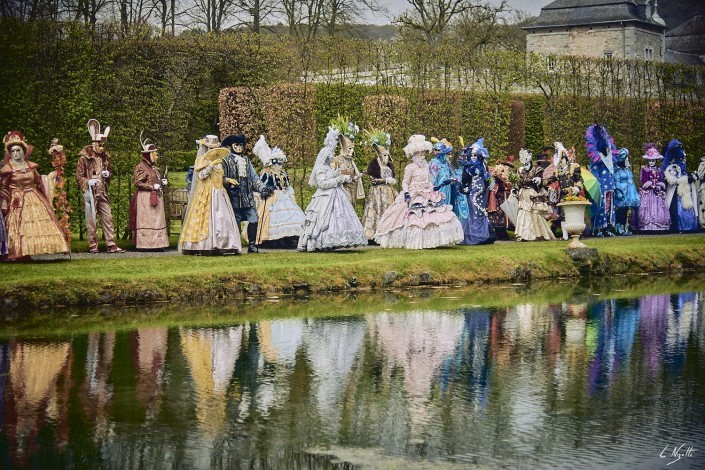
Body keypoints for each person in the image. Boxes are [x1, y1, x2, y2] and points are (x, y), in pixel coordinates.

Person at [374, 135, 463, 249]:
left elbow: (429, 181)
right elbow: (405, 182)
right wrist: (406, 192)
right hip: (414, 194)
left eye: (424, 154)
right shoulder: (410, 167)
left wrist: (436, 187)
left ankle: (431, 240)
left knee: (435, 214)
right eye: (420, 154)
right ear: (414, 155)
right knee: (413, 217)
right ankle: (413, 240)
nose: (423, 156)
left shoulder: (427, 166)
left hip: (427, 192)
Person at [297, 127, 367, 252]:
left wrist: (348, 178)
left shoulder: (330, 168)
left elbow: (338, 177)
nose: (332, 158)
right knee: (323, 219)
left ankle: (334, 242)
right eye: (330, 156)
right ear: (325, 157)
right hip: (324, 197)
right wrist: (339, 179)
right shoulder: (320, 169)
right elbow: (323, 184)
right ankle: (321, 242)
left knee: (340, 218)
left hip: (337, 195)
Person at [0, 131, 68, 259]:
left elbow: (39, 181)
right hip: (16, 200)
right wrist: (4, 202)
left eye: (18, 150)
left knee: (38, 224)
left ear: (23, 151)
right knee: (19, 227)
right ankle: (19, 253)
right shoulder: (8, 169)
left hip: (33, 197)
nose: (15, 153)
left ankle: (32, 251)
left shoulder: (31, 166)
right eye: (13, 151)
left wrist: (53, 175)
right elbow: (4, 187)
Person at [179, 135, 241, 255]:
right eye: (211, 148)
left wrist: (227, 180)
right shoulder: (202, 160)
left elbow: (218, 178)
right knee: (206, 219)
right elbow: (201, 176)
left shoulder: (219, 162)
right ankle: (205, 245)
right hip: (206, 193)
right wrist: (211, 165)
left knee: (222, 218)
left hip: (220, 193)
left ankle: (224, 244)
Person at [76, 119, 125, 253]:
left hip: (103, 191)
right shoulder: (84, 158)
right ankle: (93, 245)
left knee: (107, 217)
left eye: (103, 145)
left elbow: (110, 173)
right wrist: (87, 182)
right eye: (100, 145)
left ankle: (111, 244)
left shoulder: (105, 158)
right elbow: (79, 176)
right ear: (94, 143)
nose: (102, 147)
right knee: (91, 220)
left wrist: (107, 174)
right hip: (91, 193)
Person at [221, 134, 273, 253]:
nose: (239, 147)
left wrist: (262, 189)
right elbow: (220, 177)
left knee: (254, 219)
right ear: (231, 146)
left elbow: (254, 177)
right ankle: (235, 245)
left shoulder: (246, 160)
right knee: (235, 221)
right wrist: (226, 181)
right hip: (233, 197)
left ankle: (252, 246)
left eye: (241, 145)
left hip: (247, 197)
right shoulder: (225, 160)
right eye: (236, 145)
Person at [252, 135, 304, 247]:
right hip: (272, 197)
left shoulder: (283, 174)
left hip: (284, 196)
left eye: (281, 164)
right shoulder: (266, 173)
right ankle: (273, 240)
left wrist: (290, 192)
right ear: (272, 163)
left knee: (291, 215)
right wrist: (266, 190)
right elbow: (262, 185)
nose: (279, 166)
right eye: (277, 164)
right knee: (270, 218)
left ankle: (288, 238)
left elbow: (287, 185)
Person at [129, 134, 169, 250]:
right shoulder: (141, 167)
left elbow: (156, 181)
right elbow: (137, 182)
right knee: (147, 220)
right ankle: (146, 244)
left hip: (156, 196)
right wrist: (151, 187)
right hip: (145, 198)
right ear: (149, 155)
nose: (157, 156)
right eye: (155, 153)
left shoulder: (155, 169)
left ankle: (158, 243)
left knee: (156, 219)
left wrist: (162, 183)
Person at [361, 129, 397, 242]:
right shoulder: (374, 165)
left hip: (389, 193)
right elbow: (373, 180)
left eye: (387, 155)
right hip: (377, 194)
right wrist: (385, 181)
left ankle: (388, 235)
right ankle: (373, 235)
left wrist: (391, 182)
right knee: (376, 211)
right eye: (384, 155)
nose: (386, 158)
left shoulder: (390, 166)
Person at [458, 138, 496, 245]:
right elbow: (464, 180)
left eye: (475, 156)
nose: (474, 158)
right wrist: (465, 187)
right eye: (472, 156)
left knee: (481, 211)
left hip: (482, 192)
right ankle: (473, 235)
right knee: (473, 211)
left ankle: (484, 235)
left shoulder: (483, 166)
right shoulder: (467, 167)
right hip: (472, 192)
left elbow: (488, 179)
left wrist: (489, 183)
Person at [514, 148, 555, 242]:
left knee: (535, 213)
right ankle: (523, 235)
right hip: (523, 194)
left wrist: (539, 181)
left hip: (533, 194)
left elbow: (543, 181)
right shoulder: (520, 170)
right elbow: (518, 183)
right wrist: (515, 189)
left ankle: (537, 234)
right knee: (523, 212)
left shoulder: (537, 169)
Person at [585, 123, 617, 236]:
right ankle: (597, 228)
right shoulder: (595, 157)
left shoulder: (609, 156)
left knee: (609, 206)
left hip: (609, 183)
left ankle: (607, 227)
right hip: (599, 184)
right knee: (599, 206)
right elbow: (595, 167)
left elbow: (612, 164)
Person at [661, 139, 698, 232]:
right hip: (675, 191)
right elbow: (672, 179)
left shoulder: (681, 165)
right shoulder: (672, 167)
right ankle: (677, 227)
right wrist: (685, 179)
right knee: (675, 208)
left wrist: (690, 177)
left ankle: (687, 226)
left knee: (686, 206)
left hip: (683, 190)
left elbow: (684, 174)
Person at [549, 142, 585, 239]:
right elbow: (550, 180)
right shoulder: (557, 171)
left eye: (561, 160)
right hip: (563, 194)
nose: (560, 163)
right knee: (562, 215)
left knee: (574, 213)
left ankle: (578, 234)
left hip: (572, 193)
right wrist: (541, 181)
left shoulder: (574, 167)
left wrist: (577, 188)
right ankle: (565, 236)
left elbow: (580, 179)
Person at [330, 117, 364, 207]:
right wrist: (343, 177)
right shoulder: (336, 159)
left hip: (352, 190)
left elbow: (352, 173)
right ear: (343, 148)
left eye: (353, 149)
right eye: (350, 149)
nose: (352, 151)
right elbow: (331, 174)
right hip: (341, 191)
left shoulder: (351, 160)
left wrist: (355, 177)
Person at [429, 138, 464, 222]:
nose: (449, 156)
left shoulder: (446, 163)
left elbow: (453, 175)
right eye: (448, 154)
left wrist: (457, 175)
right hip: (439, 191)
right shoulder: (434, 163)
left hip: (448, 189)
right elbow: (432, 180)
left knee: (448, 210)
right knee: (440, 211)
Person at [637, 143, 670, 232]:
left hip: (657, 194)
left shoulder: (659, 170)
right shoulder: (645, 170)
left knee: (658, 209)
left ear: (656, 160)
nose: (651, 162)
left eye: (653, 161)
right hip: (648, 193)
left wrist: (659, 185)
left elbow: (661, 180)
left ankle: (658, 227)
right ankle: (647, 227)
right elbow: (643, 181)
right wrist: (651, 184)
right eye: (650, 161)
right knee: (646, 210)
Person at [613, 148, 640, 236]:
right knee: (620, 211)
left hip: (628, 194)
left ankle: (625, 227)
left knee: (626, 211)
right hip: (622, 193)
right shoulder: (617, 171)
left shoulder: (626, 170)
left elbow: (630, 180)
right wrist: (618, 192)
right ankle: (619, 228)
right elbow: (616, 182)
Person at [487, 156, 515, 241]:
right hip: (498, 201)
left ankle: (502, 233)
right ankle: (500, 234)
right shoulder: (496, 182)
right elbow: (496, 190)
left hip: (502, 200)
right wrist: (504, 188)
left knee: (502, 216)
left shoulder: (500, 181)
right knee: (499, 216)